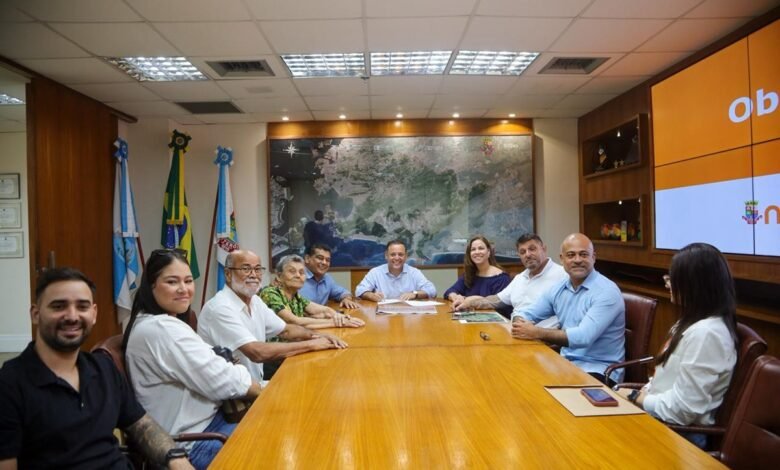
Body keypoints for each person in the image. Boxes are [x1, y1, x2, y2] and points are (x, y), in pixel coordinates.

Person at [0, 267, 193, 470]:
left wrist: (176, 458)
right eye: (58, 306)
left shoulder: (103, 368)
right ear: (36, 314)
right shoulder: (10, 384)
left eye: (82, 307)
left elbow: (141, 425)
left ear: (93, 314)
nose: (72, 316)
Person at [123, 249, 262, 470]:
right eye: (172, 281)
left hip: (208, 426)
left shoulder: (160, 321)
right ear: (151, 286)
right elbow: (223, 381)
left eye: (188, 281)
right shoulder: (161, 329)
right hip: (195, 443)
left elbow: (219, 367)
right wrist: (246, 377)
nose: (184, 289)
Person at [615, 243, 738, 449]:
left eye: (672, 278)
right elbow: (665, 381)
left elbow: (683, 410)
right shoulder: (691, 322)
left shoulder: (708, 334)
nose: (668, 284)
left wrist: (636, 397)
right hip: (659, 419)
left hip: (680, 437)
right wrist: (638, 394)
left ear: (694, 284)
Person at [199, 250, 349, 383]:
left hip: (254, 383)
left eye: (258, 269)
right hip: (230, 399)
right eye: (246, 269)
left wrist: (320, 336)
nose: (253, 275)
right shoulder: (220, 308)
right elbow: (257, 352)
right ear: (228, 274)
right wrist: (312, 344)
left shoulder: (255, 301)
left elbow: (286, 330)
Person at [512, 233, 625, 385]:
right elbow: (525, 312)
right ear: (562, 259)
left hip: (599, 370)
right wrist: (520, 323)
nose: (577, 260)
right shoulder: (560, 288)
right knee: (518, 377)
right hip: (565, 363)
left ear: (594, 257)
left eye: (583, 254)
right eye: (571, 255)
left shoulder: (607, 292)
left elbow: (583, 337)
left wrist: (536, 332)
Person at [453, 233, 567, 320]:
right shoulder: (520, 278)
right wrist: (468, 303)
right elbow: (497, 300)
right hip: (514, 332)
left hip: (543, 340)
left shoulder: (563, 275)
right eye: (522, 252)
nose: (527, 254)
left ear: (544, 249)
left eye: (532, 249)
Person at [260, 255, 365, 330]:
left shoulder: (296, 297)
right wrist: (337, 323)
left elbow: (325, 311)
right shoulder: (269, 293)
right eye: (292, 271)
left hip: (295, 344)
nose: (298, 275)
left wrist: (340, 318)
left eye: (301, 272)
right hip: (277, 354)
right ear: (279, 276)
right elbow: (295, 322)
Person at [355, 239, 437, 301]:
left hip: (408, 316)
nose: (397, 258)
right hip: (383, 317)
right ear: (386, 256)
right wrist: (371, 295)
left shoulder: (414, 272)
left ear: (406, 256)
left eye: (400, 254)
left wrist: (415, 294)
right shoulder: (375, 272)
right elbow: (359, 290)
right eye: (393, 254)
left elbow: (432, 290)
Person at [444, 235, 511, 307]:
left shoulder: (501, 278)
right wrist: (456, 297)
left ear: (488, 252)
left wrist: (475, 300)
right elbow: (449, 291)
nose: (477, 252)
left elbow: (503, 307)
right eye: (473, 249)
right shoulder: (469, 274)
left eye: (481, 248)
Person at [300, 243, 361, 309]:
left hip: (322, 317)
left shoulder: (327, 278)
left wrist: (346, 299)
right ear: (307, 259)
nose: (324, 263)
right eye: (320, 258)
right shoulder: (297, 277)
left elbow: (344, 292)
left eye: (327, 260)